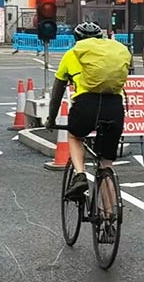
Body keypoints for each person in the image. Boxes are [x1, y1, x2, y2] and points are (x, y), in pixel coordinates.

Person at [46, 21, 131, 200]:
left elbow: (57, 93)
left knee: (75, 136)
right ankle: (109, 217)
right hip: (114, 106)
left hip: (86, 105)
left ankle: (80, 175)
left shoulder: (71, 55)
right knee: (106, 164)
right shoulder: (113, 54)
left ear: (76, 39)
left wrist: (51, 119)